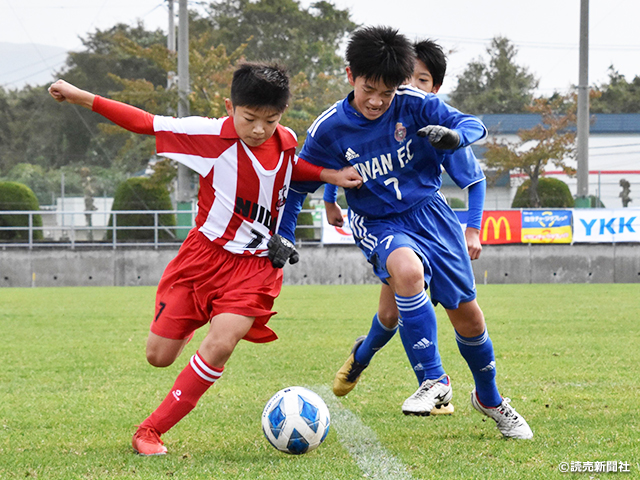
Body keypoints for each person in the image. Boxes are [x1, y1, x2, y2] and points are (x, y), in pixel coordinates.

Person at [48, 62, 362, 456]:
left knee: (222, 342)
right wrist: (81, 96)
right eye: (250, 118)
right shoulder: (208, 135)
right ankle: (198, 320)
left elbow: (289, 169)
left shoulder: (286, 140)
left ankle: (150, 431)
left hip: (254, 267)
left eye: (271, 119)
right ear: (230, 107)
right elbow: (145, 123)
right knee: (158, 357)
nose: (260, 129)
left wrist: (330, 176)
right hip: (202, 260)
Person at [278, 27, 532, 439]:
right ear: (350, 76)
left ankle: (490, 399)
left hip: (431, 214)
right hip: (377, 221)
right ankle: (434, 380)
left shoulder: (415, 104)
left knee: (468, 317)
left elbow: (471, 126)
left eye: (387, 91)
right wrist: (287, 232)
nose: (377, 101)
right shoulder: (328, 129)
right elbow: (297, 181)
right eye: (368, 89)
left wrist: (455, 136)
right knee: (407, 274)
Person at [322, 40, 486, 417]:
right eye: (406, 78)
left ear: (435, 89)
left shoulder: (435, 123)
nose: (410, 85)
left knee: (412, 313)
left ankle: (379, 362)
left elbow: (474, 180)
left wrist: (473, 229)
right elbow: (345, 158)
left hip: (428, 223)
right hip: (387, 226)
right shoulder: (376, 116)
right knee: (395, 309)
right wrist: (331, 196)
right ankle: (425, 381)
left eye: (421, 79)